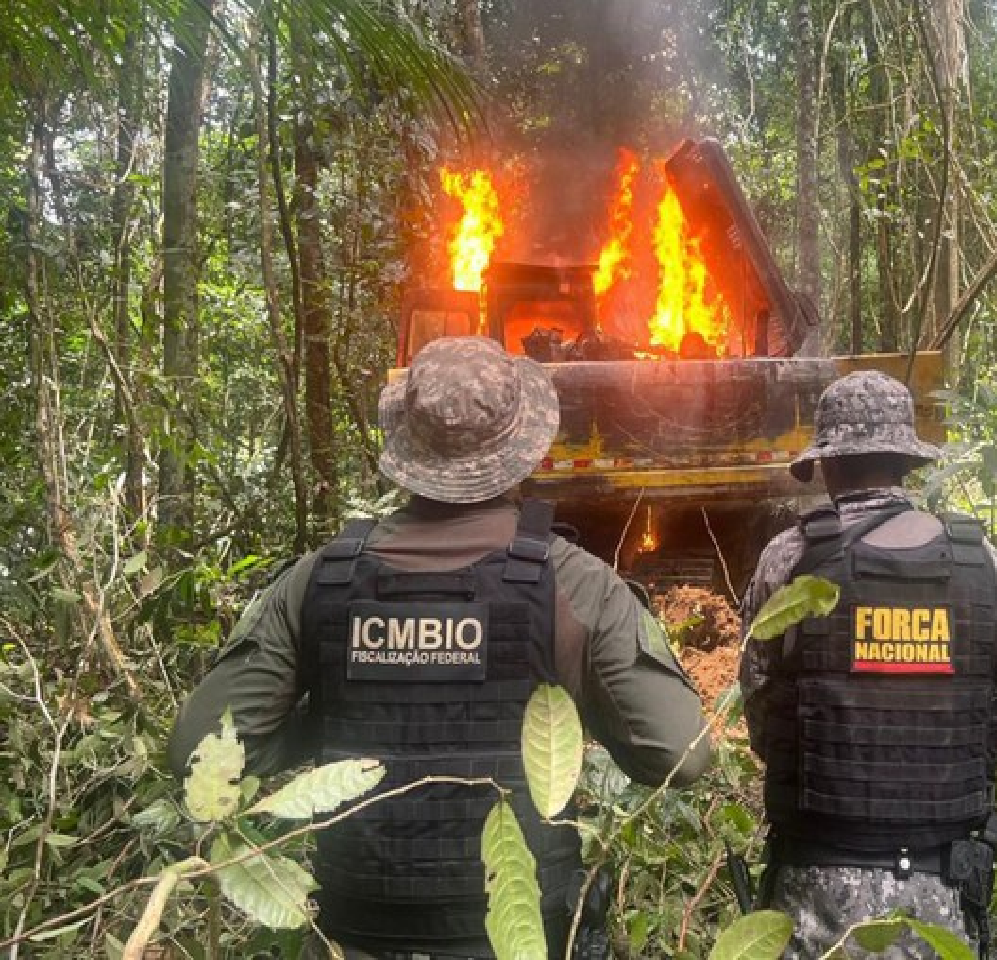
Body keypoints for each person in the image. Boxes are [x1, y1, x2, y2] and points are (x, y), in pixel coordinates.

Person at [169, 336, 713, 960]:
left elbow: (198, 754)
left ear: (406, 447)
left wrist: (334, 725)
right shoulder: (576, 584)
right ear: (522, 451)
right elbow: (681, 757)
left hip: (353, 936)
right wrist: (570, 707)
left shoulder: (321, 580)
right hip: (520, 936)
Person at [738, 370, 997, 958]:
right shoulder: (976, 559)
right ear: (907, 464)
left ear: (828, 467)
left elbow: (763, 718)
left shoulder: (788, 561)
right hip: (942, 900)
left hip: (813, 901)